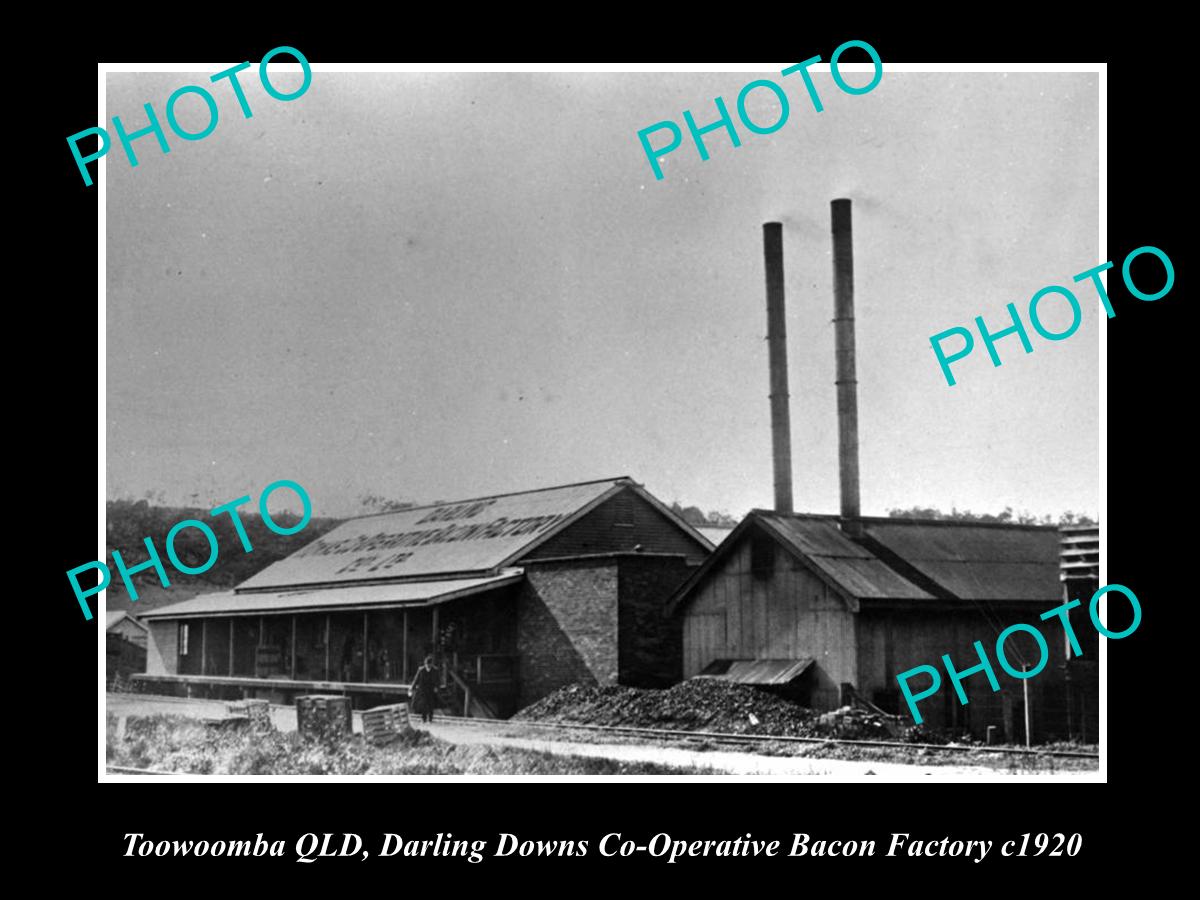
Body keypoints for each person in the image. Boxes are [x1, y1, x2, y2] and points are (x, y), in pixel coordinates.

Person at [409, 655, 438, 724]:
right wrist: (412, 688)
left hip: (431, 689)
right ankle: (424, 719)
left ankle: (430, 719)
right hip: (423, 689)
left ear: (431, 664)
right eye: (426, 664)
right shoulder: (421, 670)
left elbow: (437, 680)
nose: (427, 666)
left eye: (429, 664)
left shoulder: (435, 670)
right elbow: (416, 679)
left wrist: (437, 687)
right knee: (424, 704)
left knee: (431, 704)